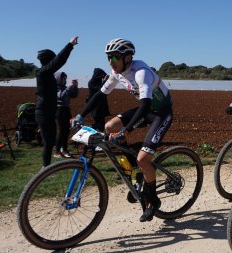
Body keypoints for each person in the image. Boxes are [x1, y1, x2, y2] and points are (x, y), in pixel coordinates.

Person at [73, 38, 173, 222]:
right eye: (108, 57)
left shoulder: (141, 73)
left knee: (143, 158)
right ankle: (135, 170)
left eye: (114, 57)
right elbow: (99, 95)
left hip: (160, 112)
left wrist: (126, 131)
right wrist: (80, 115)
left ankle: (152, 201)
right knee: (109, 127)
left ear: (127, 58)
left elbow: (144, 106)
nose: (111, 62)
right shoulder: (116, 73)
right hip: (147, 109)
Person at [35, 36, 78, 168]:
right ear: (49, 60)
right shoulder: (43, 73)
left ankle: (46, 167)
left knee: (50, 140)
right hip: (44, 113)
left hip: (48, 112)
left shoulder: (45, 73)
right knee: (49, 141)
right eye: (52, 59)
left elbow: (57, 62)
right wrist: (70, 45)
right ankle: (45, 168)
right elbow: (59, 61)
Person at [54, 72, 78, 158]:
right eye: (63, 79)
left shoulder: (64, 87)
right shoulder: (55, 88)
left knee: (67, 130)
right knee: (61, 131)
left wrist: (75, 86)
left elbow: (74, 95)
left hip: (66, 110)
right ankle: (57, 151)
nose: (65, 80)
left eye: (65, 79)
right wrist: (69, 88)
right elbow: (60, 95)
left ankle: (64, 150)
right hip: (59, 110)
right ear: (58, 79)